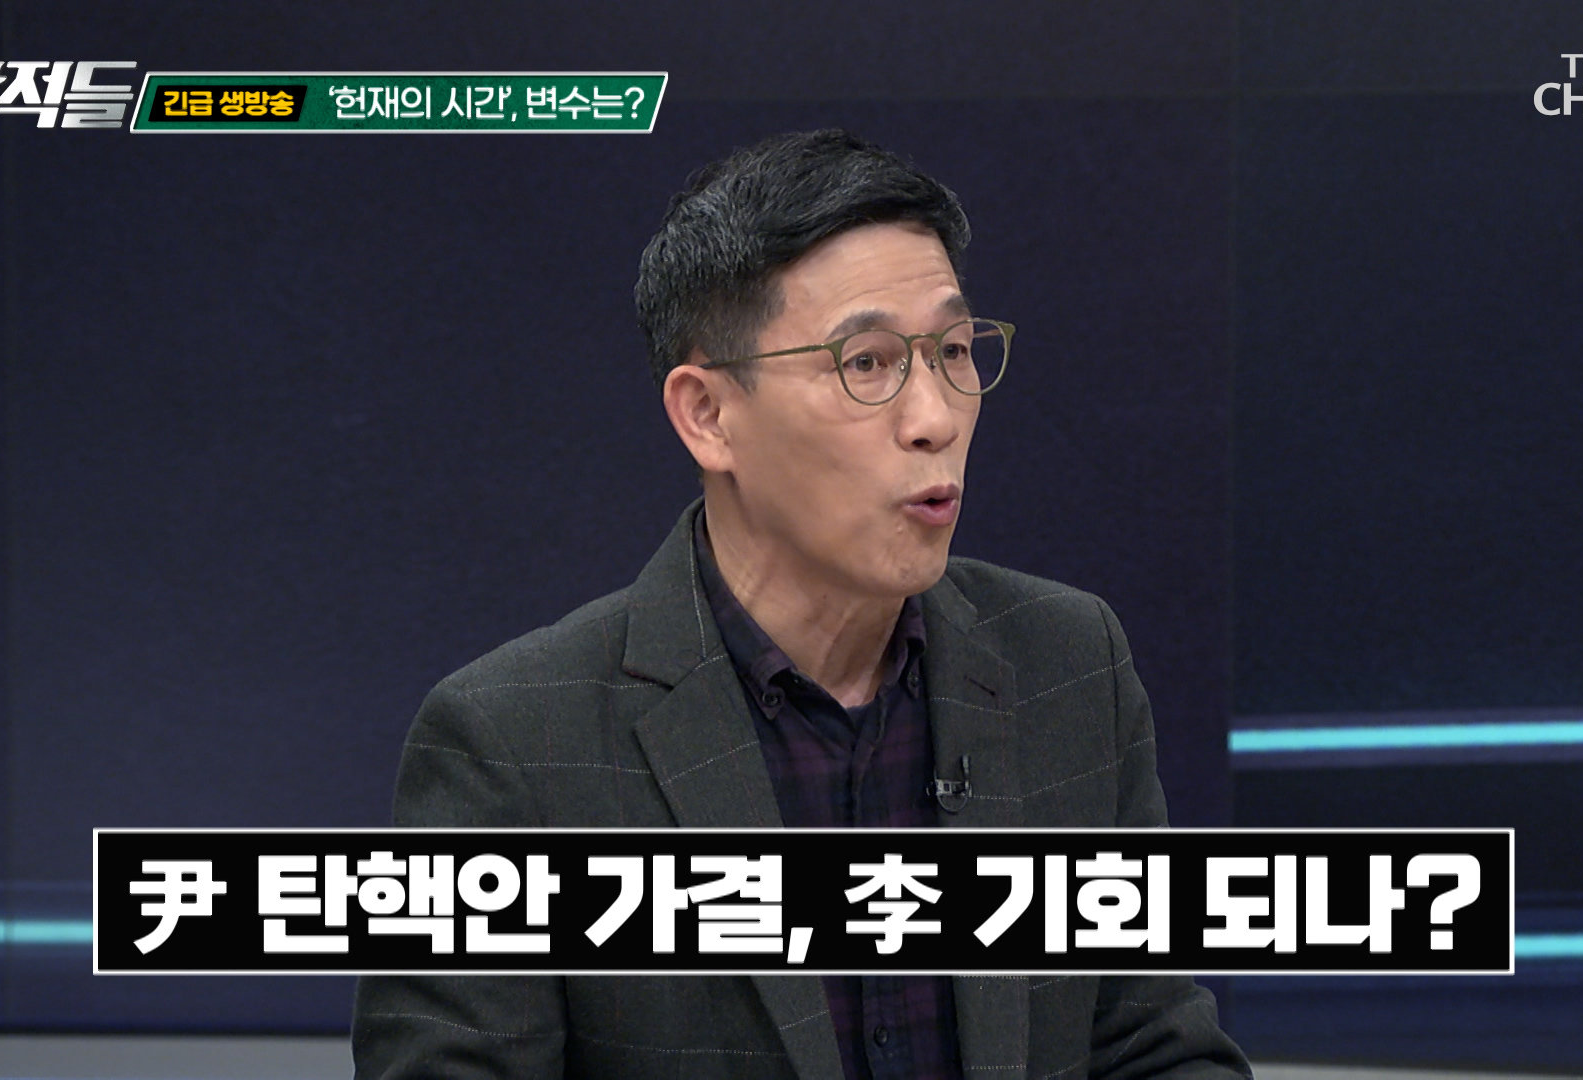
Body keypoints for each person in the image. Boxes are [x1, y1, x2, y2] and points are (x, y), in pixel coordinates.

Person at [352, 129, 1251, 1080]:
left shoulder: (1067, 665)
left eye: (953, 350)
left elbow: (1154, 1049)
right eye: (867, 364)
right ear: (708, 414)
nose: (935, 417)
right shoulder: (513, 748)